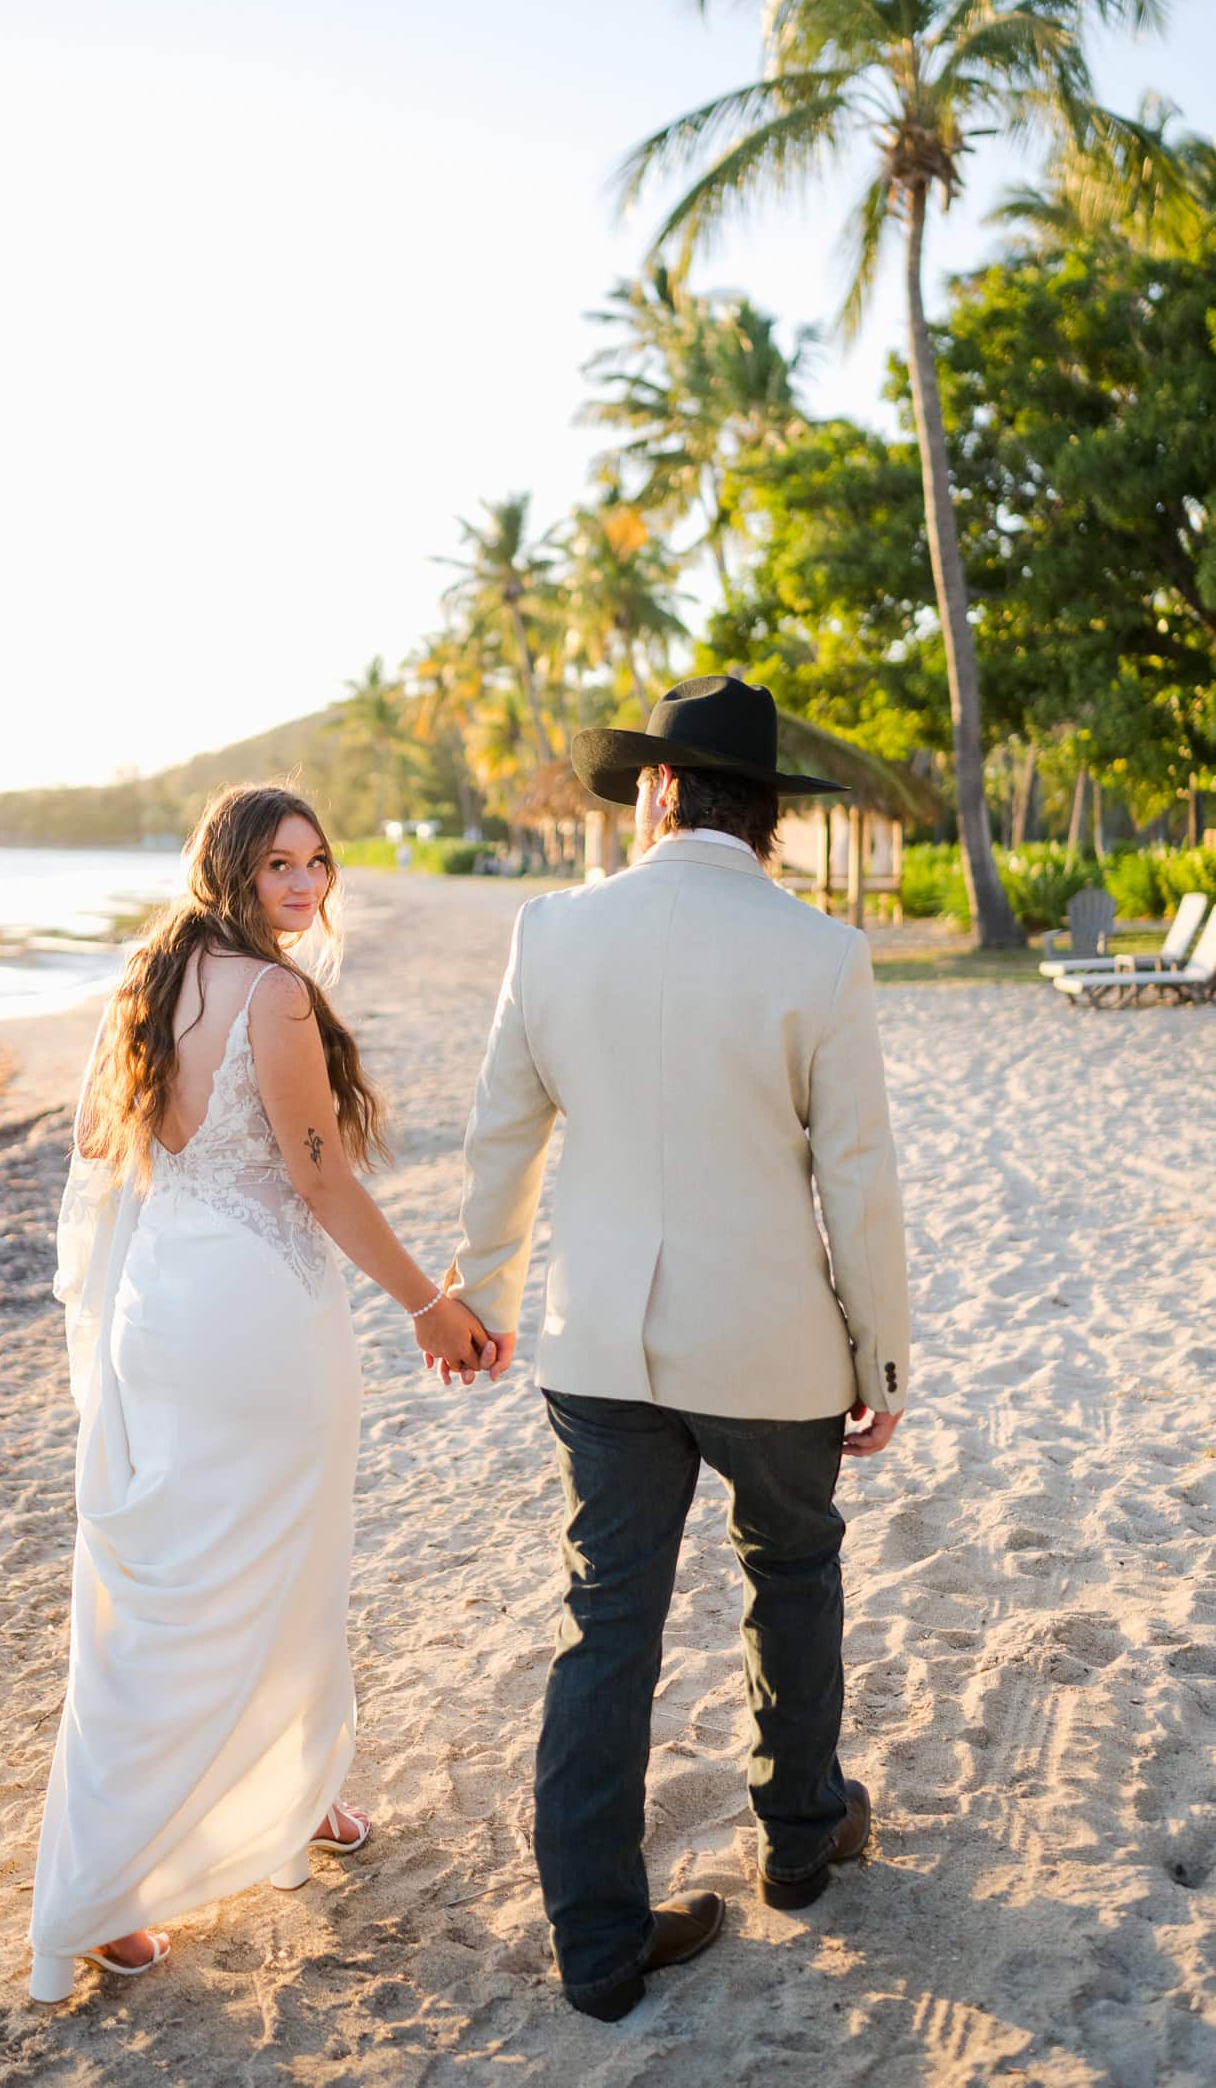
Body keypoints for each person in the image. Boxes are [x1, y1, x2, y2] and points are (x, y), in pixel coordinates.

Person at [443, 675, 911, 2024]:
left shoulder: (551, 930)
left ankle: (596, 1942)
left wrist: (482, 1294)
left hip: (599, 1348)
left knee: (608, 1625)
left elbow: (502, 1139)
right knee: (794, 1567)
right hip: (770, 1346)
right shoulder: (819, 950)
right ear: (767, 819)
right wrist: (881, 1356)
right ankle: (803, 1834)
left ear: (656, 790)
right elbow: (858, 1179)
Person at [28, 783, 494, 2003]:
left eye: (317, 864)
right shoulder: (275, 993)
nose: (305, 886)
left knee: (202, 1572)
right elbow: (321, 1179)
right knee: (257, 1569)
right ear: (229, 869)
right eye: (279, 864)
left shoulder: (148, 974)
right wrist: (426, 1304)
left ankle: (296, 1794)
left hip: (159, 1308)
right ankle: (104, 1888)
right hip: (255, 1323)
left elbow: (99, 1149)